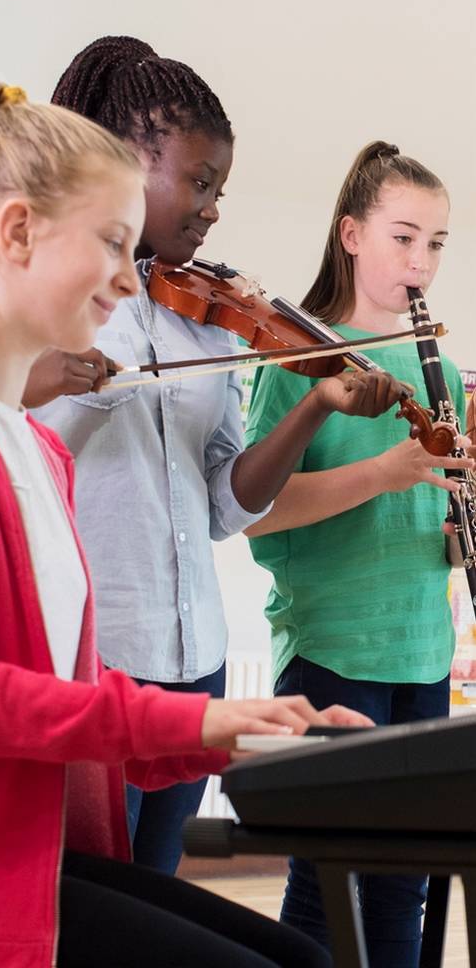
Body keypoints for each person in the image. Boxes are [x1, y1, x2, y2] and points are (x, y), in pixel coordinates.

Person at [0, 77, 381, 968]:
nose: (128, 279)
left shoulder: (31, 451)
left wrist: (255, 735)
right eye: (110, 244)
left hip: (48, 858)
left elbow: (79, 695)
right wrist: (205, 728)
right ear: (16, 233)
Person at [26, 37, 408, 875]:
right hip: (96, 665)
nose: (212, 209)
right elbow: (8, 451)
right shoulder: (51, 299)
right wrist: (65, 378)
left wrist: (312, 404)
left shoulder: (206, 318)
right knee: (94, 912)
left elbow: (225, 507)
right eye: (199, 183)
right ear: (127, 165)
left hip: (192, 660)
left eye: (219, 190)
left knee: (157, 895)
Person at [245, 141, 474, 968]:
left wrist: (454, 532)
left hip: (421, 646)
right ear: (351, 234)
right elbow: (256, 514)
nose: (423, 261)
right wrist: (386, 471)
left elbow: (422, 519)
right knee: (328, 881)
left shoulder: (441, 363)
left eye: (438, 243)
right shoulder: (295, 354)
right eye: (404, 237)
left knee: (407, 885)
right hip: (334, 648)